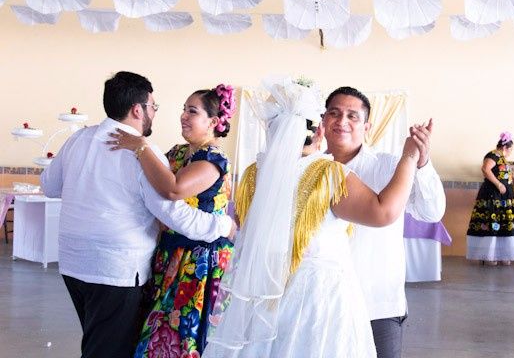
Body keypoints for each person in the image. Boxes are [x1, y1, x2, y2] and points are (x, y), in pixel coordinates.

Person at [202, 76, 423, 358]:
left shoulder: (253, 175)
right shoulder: (326, 174)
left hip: (268, 291)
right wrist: (409, 158)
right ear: (318, 131)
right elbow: (384, 211)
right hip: (321, 296)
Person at [40, 71, 234, 358]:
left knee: (99, 340)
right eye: (153, 107)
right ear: (137, 109)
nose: (157, 113)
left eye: (190, 111)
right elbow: (175, 213)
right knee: (108, 349)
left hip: (73, 263)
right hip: (116, 267)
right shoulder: (146, 152)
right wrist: (223, 225)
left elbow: (49, 186)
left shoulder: (79, 138)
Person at [107, 84, 236, 357]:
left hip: (199, 260)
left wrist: (141, 147)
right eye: (183, 110)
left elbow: (174, 188)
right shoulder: (178, 152)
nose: (184, 116)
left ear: (213, 122)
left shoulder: (213, 159)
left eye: (193, 111)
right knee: (156, 326)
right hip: (169, 252)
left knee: (183, 333)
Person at [322, 86, 446, 358]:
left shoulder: (390, 166)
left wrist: (421, 162)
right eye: (334, 113)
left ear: (367, 126)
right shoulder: (310, 169)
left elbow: (431, 211)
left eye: (353, 116)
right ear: (322, 120)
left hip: (376, 303)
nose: (342, 121)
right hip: (323, 302)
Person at [466, 132, 514, 266]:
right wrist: (499, 184)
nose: (511, 152)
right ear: (506, 147)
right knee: (491, 222)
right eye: (511, 150)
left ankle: (502, 255)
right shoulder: (493, 155)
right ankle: (489, 255)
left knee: (503, 223)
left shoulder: (501, 158)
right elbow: (485, 169)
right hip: (493, 195)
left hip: (504, 197)